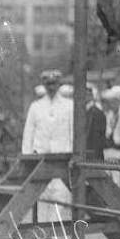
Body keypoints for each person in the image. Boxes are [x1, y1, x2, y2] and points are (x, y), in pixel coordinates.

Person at [21, 69, 74, 219]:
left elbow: (73, 133)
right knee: (42, 202)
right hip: (40, 162)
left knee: (61, 201)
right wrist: (28, 159)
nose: (51, 87)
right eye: (48, 83)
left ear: (59, 84)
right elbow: (28, 134)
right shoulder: (36, 106)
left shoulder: (69, 105)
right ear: (44, 84)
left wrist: (72, 155)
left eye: (54, 83)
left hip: (62, 162)